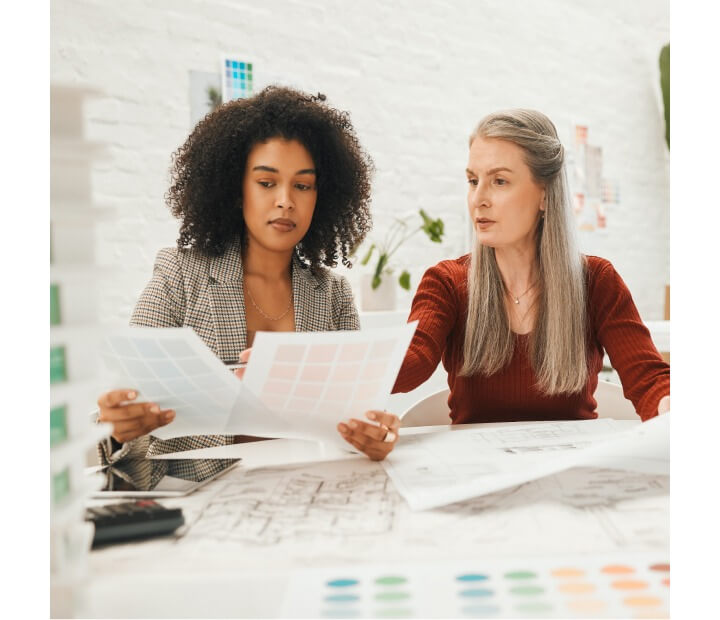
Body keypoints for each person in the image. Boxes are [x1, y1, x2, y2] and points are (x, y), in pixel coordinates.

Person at [97, 86, 400, 489]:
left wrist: (374, 436)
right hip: (206, 504)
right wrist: (120, 429)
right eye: (266, 182)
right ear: (236, 190)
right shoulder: (178, 276)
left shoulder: (333, 297)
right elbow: (131, 432)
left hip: (311, 495)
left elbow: (353, 426)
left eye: (303, 185)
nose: (286, 201)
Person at [392, 108, 670, 426]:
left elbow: (649, 380)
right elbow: (412, 360)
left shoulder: (597, 282)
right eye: (472, 181)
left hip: (572, 471)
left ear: (545, 195)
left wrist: (669, 405)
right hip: (479, 473)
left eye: (499, 181)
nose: (478, 199)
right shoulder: (447, 283)